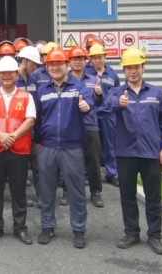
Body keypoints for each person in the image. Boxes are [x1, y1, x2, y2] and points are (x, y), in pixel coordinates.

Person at [107, 48, 162, 255]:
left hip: (151, 152)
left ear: (143, 67)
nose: (133, 71)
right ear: (124, 70)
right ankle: (131, 233)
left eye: (136, 67)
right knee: (127, 195)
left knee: (153, 196)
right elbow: (104, 107)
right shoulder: (117, 93)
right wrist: (118, 104)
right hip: (125, 152)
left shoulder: (156, 93)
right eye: (129, 68)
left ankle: (155, 236)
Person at [33, 48, 93, 249]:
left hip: (72, 147)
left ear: (66, 65)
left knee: (76, 191)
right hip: (47, 147)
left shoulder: (79, 87)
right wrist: (38, 141)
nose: (55, 68)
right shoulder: (42, 91)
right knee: (47, 191)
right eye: (51, 64)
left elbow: (89, 102)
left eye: (59, 64)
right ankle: (47, 227)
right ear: (47, 67)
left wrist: (86, 106)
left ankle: (78, 230)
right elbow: (38, 120)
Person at [0, 56, 36, 245]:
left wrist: (13, 136)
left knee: (18, 191)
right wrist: (0, 135)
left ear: (16, 75)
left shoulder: (26, 96)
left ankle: (20, 228)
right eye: (3, 73)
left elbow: (30, 120)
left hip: (19, 149)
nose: (6, 76)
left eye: (10, 73)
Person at [67, 46, 104, 208]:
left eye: (81, 59)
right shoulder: (64, 80)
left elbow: (99, 103)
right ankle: (68, 191)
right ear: (69, 62)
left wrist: (99, 95)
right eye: (74, 59)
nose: (77, 62)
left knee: (94, 160)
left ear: (85, 61)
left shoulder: (93, 80)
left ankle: (96, 191)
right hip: (70, 126)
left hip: (90, 125)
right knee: (70, 161)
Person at [85, 43, 121, 187]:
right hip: (91, 114)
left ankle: (112, 173)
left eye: (100, 57)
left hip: (108, 114)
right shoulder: (85, 72)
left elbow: (116, 93)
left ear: (105, 57)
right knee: (89, 145)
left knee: (109, 144)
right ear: (90, 59)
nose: (98, 60)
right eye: (94, 58)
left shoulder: (112, 74)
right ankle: (86, 174)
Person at [16, 45, 43, 208]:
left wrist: (38, 135)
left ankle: (41, 196)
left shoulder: (34, 81)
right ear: (24, 61)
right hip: (18, 132)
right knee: (20, 168)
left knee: (38, 166)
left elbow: (37, 108)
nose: (35, 67)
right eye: (33, 63)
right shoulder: (12, 79)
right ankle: (21, 198)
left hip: (32, 130)